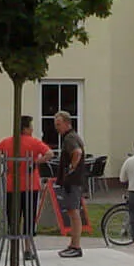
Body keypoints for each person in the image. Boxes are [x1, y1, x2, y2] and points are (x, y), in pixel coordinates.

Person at [53, 110, 88, 257]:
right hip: (74, 181)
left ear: (67, 123)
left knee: (73, 212)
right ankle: (73, 244)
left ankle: (76, 246)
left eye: (59, 124)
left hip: (72, 181)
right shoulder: (72, 136)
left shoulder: (69, 138)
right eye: (56, 125)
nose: (57, 128)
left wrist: (71, 168)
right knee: (72, 211)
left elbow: (77, 152)